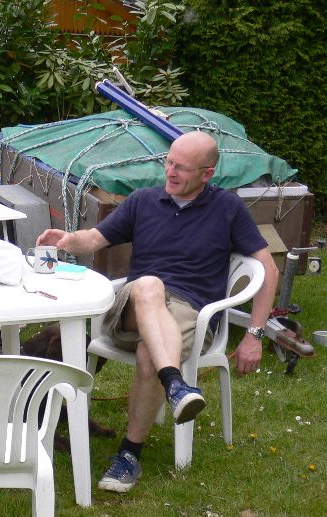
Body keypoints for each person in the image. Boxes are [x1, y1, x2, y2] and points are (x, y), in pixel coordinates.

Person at [36, 130, 279, 493]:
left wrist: (254, 336)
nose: (170, 172)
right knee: (149, 285)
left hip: (189, 312)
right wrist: (70, 240)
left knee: (150, 353)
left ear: (207, 174)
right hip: (132, 307)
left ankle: (128, 455)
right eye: (169, 162)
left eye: (181, 168)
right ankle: (176, 385)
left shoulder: (228, 209)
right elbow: (96, 239)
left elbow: (268, 269)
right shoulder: (143, 201)